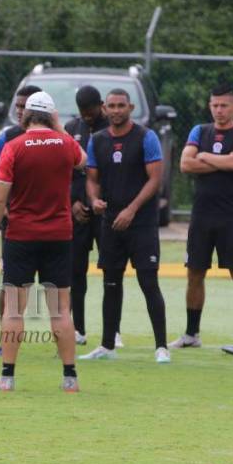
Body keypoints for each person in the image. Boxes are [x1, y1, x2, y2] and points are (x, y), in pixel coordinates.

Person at [0, 91, 86, 393]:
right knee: (60, 310)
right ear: (53, 116)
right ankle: (70, 378)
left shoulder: (13, 147)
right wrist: (59, 127)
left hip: (21, 235)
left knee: (14, 309)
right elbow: (83, 159)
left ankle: (7, 376)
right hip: (59, 235)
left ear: (26, 115)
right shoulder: (66, 144)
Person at [80, 89, 169, 363]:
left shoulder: (146, 137)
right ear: (105, 109)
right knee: (110, 283)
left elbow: (155, 179)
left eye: (121, 105)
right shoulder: (97, 140)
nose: (116, 110)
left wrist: (132, 209)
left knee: (148, 281)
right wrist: (94, 200)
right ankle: (107, 346)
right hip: (111, 224)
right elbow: (92, 179)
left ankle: (161, 347)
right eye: (111, 106)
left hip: (141, 223)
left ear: (130, 107)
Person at [169, 84, 233, 354]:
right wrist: (223, 159)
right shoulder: (199, 130)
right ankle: (191, 333)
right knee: (194, 273)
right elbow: (185, 165)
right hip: (201, 215)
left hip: (230, 215)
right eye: (214, 105)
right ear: (210, 106)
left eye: (223, 105)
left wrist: (206, 156)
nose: (219, 110)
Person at [0, 84, 41, 358]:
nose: (20, 111)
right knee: (11, 283)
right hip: (16, 223)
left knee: (62, 288)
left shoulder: (55, 140)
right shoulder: (5, 138)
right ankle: (4, 340)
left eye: (25, 106)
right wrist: (1, 205)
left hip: (51, 224)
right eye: (17, 106)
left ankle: (66, 339)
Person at [64, 85, 123, 348]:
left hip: (104, 208)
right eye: (82, 112)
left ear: (101, 105)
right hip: (78, 212)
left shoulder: (112, 130)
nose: (87, 117)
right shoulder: (71, 128)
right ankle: (78, 328)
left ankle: (114, 330)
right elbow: (63, 170)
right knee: (76, 271)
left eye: (90, 111)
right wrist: (73, 201)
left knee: (111, 269)